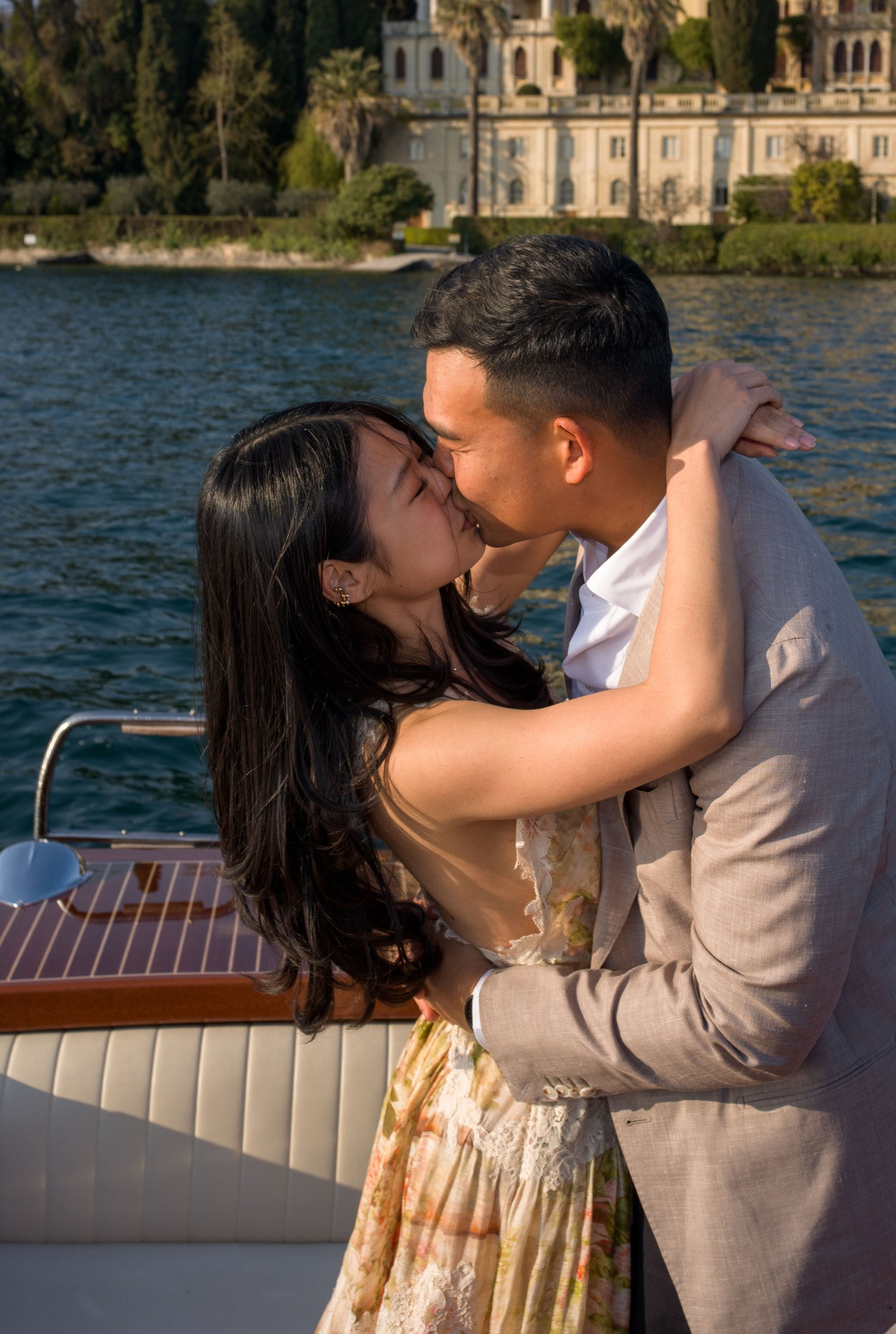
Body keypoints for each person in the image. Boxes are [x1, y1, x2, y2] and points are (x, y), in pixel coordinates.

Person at [413, 236, 896, 1334]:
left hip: (756, 1185)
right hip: (616, 1121)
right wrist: (676, 421)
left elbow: (753, 1018)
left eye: (449, 444)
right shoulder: (619, 507)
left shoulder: (787, 673)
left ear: (569, 445)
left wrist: (478, 1001)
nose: (438, 475)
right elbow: (470, 586)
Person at [197, 356, 801, 1334]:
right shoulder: (420, 749)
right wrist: (690, 453)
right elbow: (694, 708)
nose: (447, 476)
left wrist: (663, 416)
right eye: (413, 482)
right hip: (548, 1106)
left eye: (430, 449)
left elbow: (560, 484)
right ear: (343, 577)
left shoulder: (448, 621)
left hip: (554, 1048)